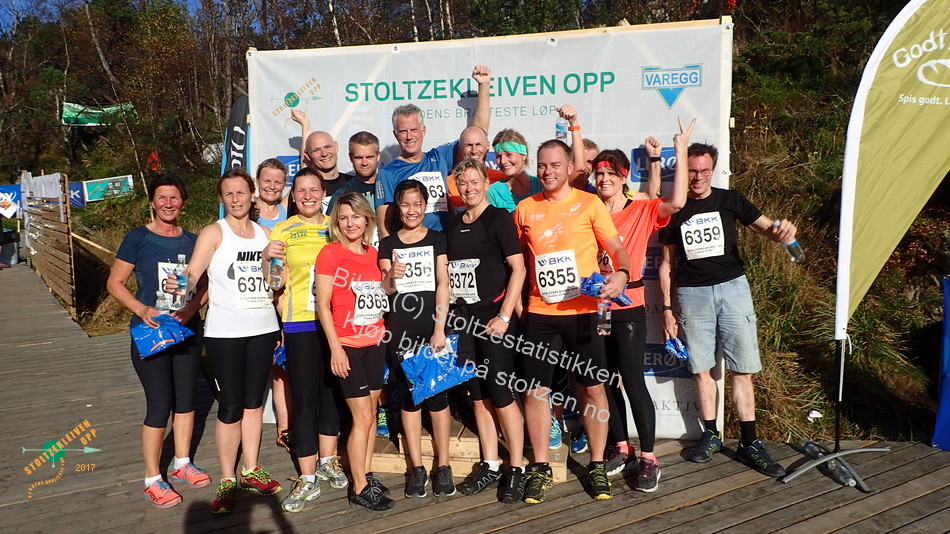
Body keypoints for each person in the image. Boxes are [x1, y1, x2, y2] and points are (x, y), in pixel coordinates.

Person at [658, 142, 797, 478]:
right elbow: (666, 264)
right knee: (701, 368)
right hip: (692, 294)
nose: (698, 177)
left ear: (713, 170)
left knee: (742, 369)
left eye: (705, 171)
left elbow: (768, 229)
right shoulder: (674, 209)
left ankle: (750, 442)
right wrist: (667, 308)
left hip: (733, 289)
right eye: (692, 171)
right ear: (684, 171)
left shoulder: (731, 199)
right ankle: (711, 434)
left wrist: (784, 231)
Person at [513, 140, 631, 503]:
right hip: (541, 314)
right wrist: (516, 306)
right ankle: (540, 467)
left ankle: (596, 464)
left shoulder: (590, 203)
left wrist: (622, 273)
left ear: (569, 168)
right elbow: (516, 263)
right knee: (536, 391)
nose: (547, 171)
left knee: (593, 388)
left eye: (555, 165)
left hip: (583, 313)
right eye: (542, 165)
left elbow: (617, 248)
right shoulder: (525, 208)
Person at [172, 169, 283, 514]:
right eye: (229, 194)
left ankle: (250, 468)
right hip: (226, 333)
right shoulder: (214, 232)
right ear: (221, 199)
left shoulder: (266, 234)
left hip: (262, 327)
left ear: (252, 195)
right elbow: (193, 273)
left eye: (241, 193)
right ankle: (227, 477)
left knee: (254, 402)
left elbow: (276, 283)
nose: (236, 199)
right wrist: (177, 288)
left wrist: (269, 261)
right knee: (231, 406)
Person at [594, 118, 694, 494]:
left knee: (633, 381)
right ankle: (622, 447)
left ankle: (650, 457)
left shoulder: (639, 209)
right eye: (599, 174)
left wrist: (679, 149)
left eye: (610, 173)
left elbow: (677, 202)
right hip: (597, 308)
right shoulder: (590, 212)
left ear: (623, 177)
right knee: (604, 380)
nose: (603, 179)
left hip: (629, 305)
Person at [107, 174, 210, 508]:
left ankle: (182, 463)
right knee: (159, 404)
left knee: (186, 400)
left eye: (174, 197)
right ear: (152, 202)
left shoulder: (194, 240)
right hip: (150, 331)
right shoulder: (137, 238)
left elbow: (205, 285)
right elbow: (115, 282)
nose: (168, 204)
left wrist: (190, 310)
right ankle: (153, 478)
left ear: (183, 202)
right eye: (162, 198)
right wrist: (141, 309)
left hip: (185, 331)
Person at [261, 168, 348, 512]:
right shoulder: (282, 230)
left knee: (331, 393)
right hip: (300, 322)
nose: (308, 196)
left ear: (324, 193)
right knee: (306, 398)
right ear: (293, 195)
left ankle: (328, 461)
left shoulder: (336, 226)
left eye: (314, 190)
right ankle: (307, 477)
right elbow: (275, 283)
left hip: (336, 322)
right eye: (301, 190)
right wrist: (268, 260)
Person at [447, 158, 527, 503]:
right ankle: (491, 463)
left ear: (485, 183)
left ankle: (517, 466)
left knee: (501, 393)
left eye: (474, 181)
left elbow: (519, 269)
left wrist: (505, 316)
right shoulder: (453, 225)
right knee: (477, 395)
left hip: (494, 318)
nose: (469, 188)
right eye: (462, 183)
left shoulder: (498, 218)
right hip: (464, 321)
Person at [315, 192, 394, 511]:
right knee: (361, 417)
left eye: (356, 217)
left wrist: (392, 278)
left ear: (366, 220)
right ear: (337, 222)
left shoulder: (373, 253)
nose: (350, 223)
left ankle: (366, 472)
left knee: (371, 413)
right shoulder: (330, 254)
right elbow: (322, 304)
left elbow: (382, 293)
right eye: (344, 218)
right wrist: (335, 348)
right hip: (347, 345)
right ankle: (359, 487)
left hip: (374, 344)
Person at [377, 179, 455, 498]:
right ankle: (417, 467)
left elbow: (443, 284)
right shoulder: (387, 244)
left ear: (426, 205)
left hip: (432, 330)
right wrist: (391, 276)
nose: (412, 210)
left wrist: (439, 328)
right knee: (410, 400)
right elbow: (385, 290)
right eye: (405, 205)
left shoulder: (438, 239)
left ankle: (444, 465)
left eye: (417, 204)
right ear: (398, 208)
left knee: (438, 398)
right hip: (401, 333)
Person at [375, 65, 492, 237]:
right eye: (403, 131)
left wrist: (483, 86)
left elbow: (477, 133)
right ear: (395, 134)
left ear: (423, 131)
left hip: (446, 241)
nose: (409, 136)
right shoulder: (387, 173)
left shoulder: (440, 157)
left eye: (414, 130)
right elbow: (384, 225)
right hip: (412, 247)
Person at [292, 110, 353, 209]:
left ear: (336, 147)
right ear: (307, 155)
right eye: (316, 150)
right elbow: (305, 168)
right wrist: (305, 125)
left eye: (327, 147)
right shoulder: (306, 189)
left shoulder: (352, 183)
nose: (324, 154)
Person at [446, 126, 505, 214]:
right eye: (469, 145)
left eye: (478, 144)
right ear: (460, 149)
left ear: (487, 146)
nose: (474, 151)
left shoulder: (501, 179)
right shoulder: (448, 182)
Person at [485, 129, 542, 213]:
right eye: (498, 156)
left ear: (523, 155)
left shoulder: (541, 185)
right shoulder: (493, 192)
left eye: (509, 155)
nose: (503, 161)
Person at [254, 158, 290, 231]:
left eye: (278, 182)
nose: (272, 187)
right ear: (257, 181)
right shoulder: (248, 210)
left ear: (284, 184)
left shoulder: (284, 209)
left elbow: (303, 180)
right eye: (267, 181)